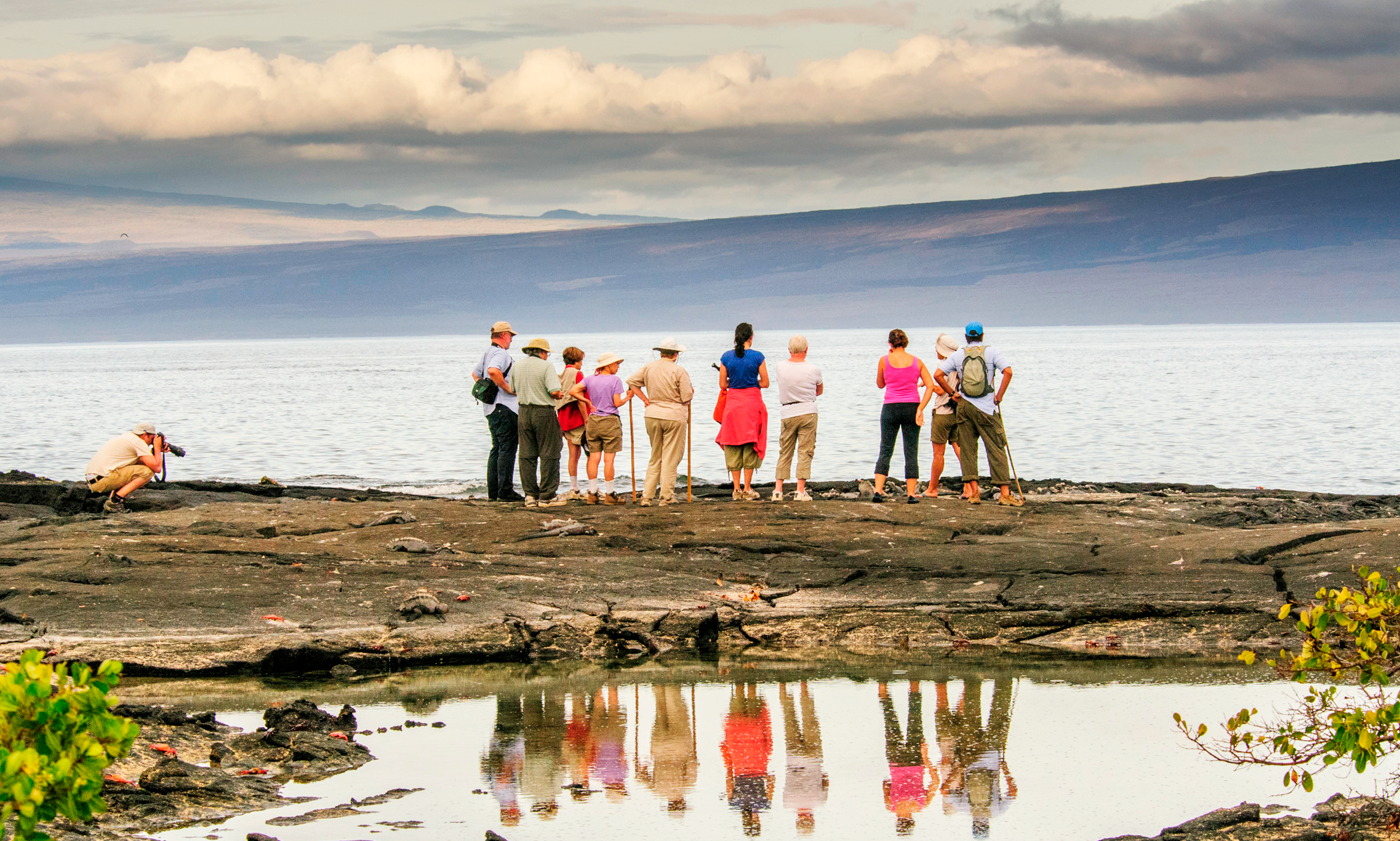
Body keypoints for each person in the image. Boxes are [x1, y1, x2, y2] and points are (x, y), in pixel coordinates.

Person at [933, 321, 1021, 506]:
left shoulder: (958, 355)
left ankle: (974, 493)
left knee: (967, 449)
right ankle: (1004, 493)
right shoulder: (992, 352)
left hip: (964, 407)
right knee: (996, 447)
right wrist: (999, 396)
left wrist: (952, 393)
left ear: (966, 337)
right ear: (982, 336)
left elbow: (938, 374)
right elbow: (1008, 372)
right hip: (987, 407)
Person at [626, 338, 695, 506]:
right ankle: (666, 496)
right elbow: (686, 397)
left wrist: (645, 400)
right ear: (675, 355)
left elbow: (631, 382)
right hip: (674, 414)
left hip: (652, 413)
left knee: (655, 455)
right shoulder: (679, 370)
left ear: (661, 353)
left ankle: (647, 496)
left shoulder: (649, 367)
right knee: (670, 457)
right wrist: (691, 392)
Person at [873, 329, 936, 504]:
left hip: (890, 408)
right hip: (912, 407)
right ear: (906, 342)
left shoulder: (884, 360)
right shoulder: (917, 361)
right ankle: (910, 494)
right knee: (911, 450)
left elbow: (880, 384)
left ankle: (878, 491)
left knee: (886, 448)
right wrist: (921, 408)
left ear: (890, 344)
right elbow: (930, 386)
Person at [569, 351, 634, 505]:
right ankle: (610, 494)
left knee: (594, 457)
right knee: (608, 459)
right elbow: (617, 403)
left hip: (593, 420)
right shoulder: (615, 380)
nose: (618, 366)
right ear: (608, 365)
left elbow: (572, 391)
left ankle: (592, 493)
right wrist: (628, 397)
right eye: (616, 363)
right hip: (610, 420)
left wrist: (587, 402)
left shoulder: (590, 379)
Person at [471, 321, 525, 502]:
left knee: (497, 448)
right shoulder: (501, 353)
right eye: (510, 336)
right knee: (507, 449)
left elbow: (476, 374)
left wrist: (487, 387)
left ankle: (494, 491)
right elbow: (493, 371)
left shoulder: (488, 352)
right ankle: (505, 490)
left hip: (491, 408)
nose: (511, 339)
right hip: (505, 407)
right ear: (503, 335)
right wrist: (507, 388)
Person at [716, 322, 769, 501]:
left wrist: (735, 382)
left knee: (732, 444)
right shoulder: (758, 357)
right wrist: (752, 383)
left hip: (733, 405)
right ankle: (747, 488)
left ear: (735, 338)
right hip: (752, 404)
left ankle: (736, 489)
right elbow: (765, 382)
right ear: (751, 337)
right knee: (749, 443)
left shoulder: (726, 357)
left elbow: (723, 384)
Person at [512, 337, 566, 508]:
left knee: (526, 454)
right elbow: (554, 391)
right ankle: (547, 495)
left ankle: (530, 495)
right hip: (543, 411)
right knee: (549, 452)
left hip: (523, 411)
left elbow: (513, 389)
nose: (547, 356)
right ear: (542, 353)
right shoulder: (546, 366)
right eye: (547, 353)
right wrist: (561, 395)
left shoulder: (517, 365)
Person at [879, 680, 939, 837]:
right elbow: (886, 785)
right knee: (889, 720)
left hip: (916, 759)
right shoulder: (890, 806)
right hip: (895, 760)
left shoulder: (921, 805)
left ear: (912, 821)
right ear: (897, 822)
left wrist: (925, 758)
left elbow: (936, 782)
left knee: (915, 718)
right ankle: (882, 683)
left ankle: (914, 681)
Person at [773, 336, 823, 502]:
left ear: (789, 350)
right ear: (806, 350)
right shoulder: (813, 369)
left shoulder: (780, 367)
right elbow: (819, 390)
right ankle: (800, 490)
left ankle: (778, 490)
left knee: (785, 450)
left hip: (787, 411)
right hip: (808, 410)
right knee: (805, 451)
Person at [722, 683, 773, 837]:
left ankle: (751, 676)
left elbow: (771, 780)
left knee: (753, 707)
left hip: (757, 752)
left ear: (756, 822)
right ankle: (739, 677)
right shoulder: (734, 803)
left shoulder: (764, 803)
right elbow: (729, 779)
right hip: (738, 751)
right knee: (737, 705)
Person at [85, 422, 171, 513]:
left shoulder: (128, 437)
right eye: (152, 439)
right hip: (102, 480)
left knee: (140, 468)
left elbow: (143, 463)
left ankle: (112, 500)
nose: (151, 443)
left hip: (94, 480)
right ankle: (115, 502)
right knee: (147, 472)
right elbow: (157, 468)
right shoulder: (139, 442)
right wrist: (157, 449)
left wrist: (155, 451)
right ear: (145, 435)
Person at [779, 681, 828, 835]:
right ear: (797, 820)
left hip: (813, 758)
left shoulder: (820, 802)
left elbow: (825, 779)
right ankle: (782, 686)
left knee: (809, 719)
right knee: (789, 719)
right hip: (793, 758)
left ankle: (803, 685)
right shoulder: (787, 803)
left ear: (811, 820)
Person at [924, 333, 964, 498]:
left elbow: (941, 389)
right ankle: (970, 484)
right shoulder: (960, 365)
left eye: (937, 348)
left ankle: (932, 488)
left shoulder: (944, 366)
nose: (936, 350)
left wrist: (930, 386)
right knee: (959, 448)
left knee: (938, 453)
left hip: (942, 412)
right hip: (956, 412)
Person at [557, 346, 588, 500]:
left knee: (572, 453)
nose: (582, 363)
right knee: (589, 452)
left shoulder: (560, 374)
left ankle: (573, 486)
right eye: (581, 360)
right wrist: (587, 419)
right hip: (576, 417)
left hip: (563, 417)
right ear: (577, 360)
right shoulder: (577, 373)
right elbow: (580, 398)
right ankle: (590, 486)